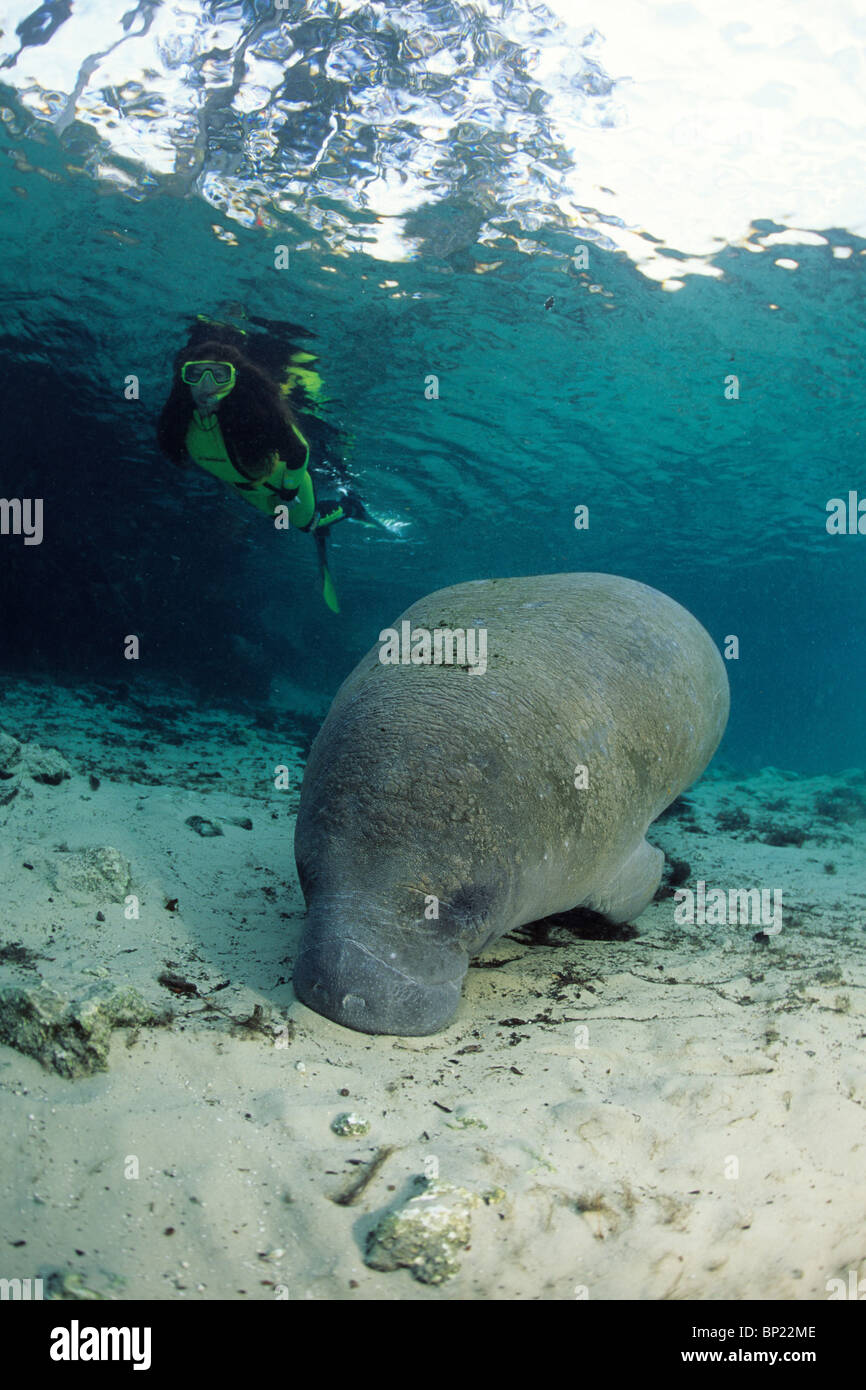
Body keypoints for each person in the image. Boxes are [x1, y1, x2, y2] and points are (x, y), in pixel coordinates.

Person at [156, 320, 370, 612]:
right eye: (196, 374)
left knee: (305, 525)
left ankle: (349, 507)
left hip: (284, 486)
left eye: (218, 375)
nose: (206, 384)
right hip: (245, 488)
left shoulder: (255, 414)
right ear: (185, 378)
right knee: (275, 520)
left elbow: (298, 451)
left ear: (233, 379)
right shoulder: (180, 418)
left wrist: (288, 490)